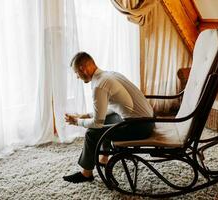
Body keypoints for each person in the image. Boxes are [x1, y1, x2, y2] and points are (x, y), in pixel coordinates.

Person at [63, 52, 154, 183]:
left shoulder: (99, 85)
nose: (77, 77)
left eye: (76, 73)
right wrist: (85, 115)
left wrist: (77, 121)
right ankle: (104, 158)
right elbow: (112, 109)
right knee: (107, 121)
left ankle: (86, 174)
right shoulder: (110, 75)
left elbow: (97, 124)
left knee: (92, 133)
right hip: (148, 120)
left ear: (83, 68)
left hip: (140, 127)